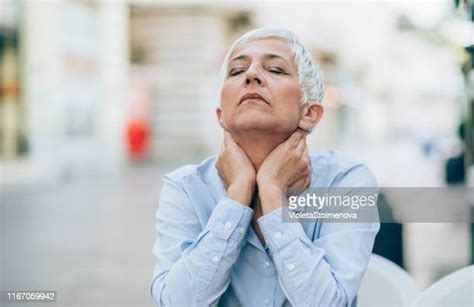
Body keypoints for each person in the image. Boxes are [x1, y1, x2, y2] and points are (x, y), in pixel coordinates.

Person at [150, 27, 379, 306]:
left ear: (309, 113)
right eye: (236, 71)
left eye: (275, 69)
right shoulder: (185, 187)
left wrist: (272, 192)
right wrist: (237, 195)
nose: (251, 75)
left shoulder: (347, 182)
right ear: (221, 115)